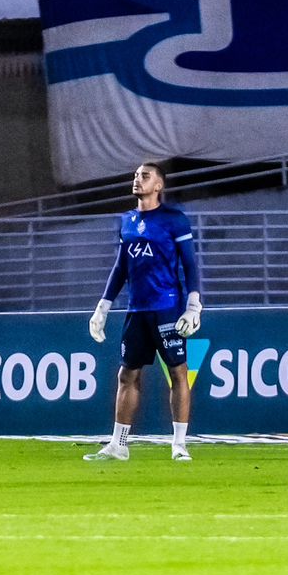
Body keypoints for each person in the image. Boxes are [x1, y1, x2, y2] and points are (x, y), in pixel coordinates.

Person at [84, 162, 203, 463]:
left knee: (178, 373)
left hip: (167, 309)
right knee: (127, 374)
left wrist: (193, 305)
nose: (138, 180)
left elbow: (189, 264)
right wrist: (104, 305)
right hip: (136, 309)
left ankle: (179, 444)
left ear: (159, 185)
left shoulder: (175, 220)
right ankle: (119, 444)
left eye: (145, 176)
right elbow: (121, 266)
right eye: (136, 176)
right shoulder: (127, 220)